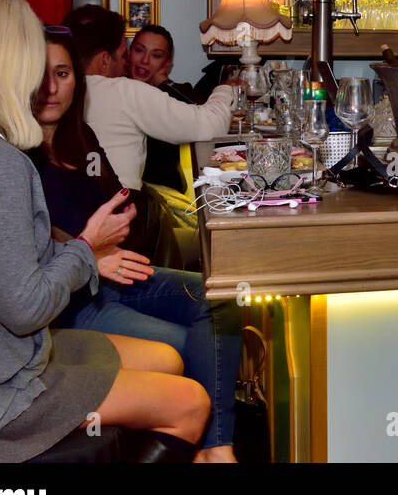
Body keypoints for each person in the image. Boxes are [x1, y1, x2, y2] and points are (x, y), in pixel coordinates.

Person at [0, 0, 209, 461]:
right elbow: (25, 309)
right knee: (190, 402)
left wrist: (81, 254)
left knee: (167, 357)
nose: (38, 76)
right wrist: (87, 248)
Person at [29, 28, 241, 463]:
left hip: (110, 275)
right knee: (186, 344)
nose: (52, 87)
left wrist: (103, 242)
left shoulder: (81, 137)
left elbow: (119, 206)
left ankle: (215, 448)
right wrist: (86, 248)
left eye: (64, 73)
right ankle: (208, 448)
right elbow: (33, 241)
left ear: (79, 80)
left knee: (220, 296)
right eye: (41, 74)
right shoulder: (15, 151)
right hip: (66, 300)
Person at [60, 4, 236, 191]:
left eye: (156, 55)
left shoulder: (49, 91)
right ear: (104, 60)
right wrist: (226, 87)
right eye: (123, 55)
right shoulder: (124, 92)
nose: (126, 62)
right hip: (117, 209)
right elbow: (211, 124)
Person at [130, 24, 197, 193]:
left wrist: (164, 83)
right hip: (125, 191)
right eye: (139, 50)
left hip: (165, 195)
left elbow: (199, 116)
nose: (144, 61)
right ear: (129, 52)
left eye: (156, 55)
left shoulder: (175, 93)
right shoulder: (112, 89)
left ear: (167, 63)